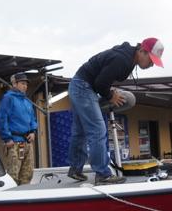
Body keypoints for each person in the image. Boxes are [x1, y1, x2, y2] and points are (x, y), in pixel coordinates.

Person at [67, 37, 164, 185]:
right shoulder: (123, 60)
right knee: (97, 130)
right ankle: (102, 175)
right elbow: (101, 83)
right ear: (142, 51)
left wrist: (109, 93)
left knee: (80, 131)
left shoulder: (130, 58)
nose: (151, 65)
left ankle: (75, 169)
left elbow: (102, 79)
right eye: (151, 60)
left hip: (81, 86)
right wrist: (110, 95)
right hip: (83, 87)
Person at [0, 73, 38, 185]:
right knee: (13, 175)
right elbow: (2, 118)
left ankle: (24, 199)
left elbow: (33, 119)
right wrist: (7, 138)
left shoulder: (26, 101)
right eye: (22, 83)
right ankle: (11, 199)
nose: (25, 86)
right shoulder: (8, 98)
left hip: (27, 142)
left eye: (26, 84)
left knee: (28, 173)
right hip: (14, 142)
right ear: (14, 84)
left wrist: (33, 132)